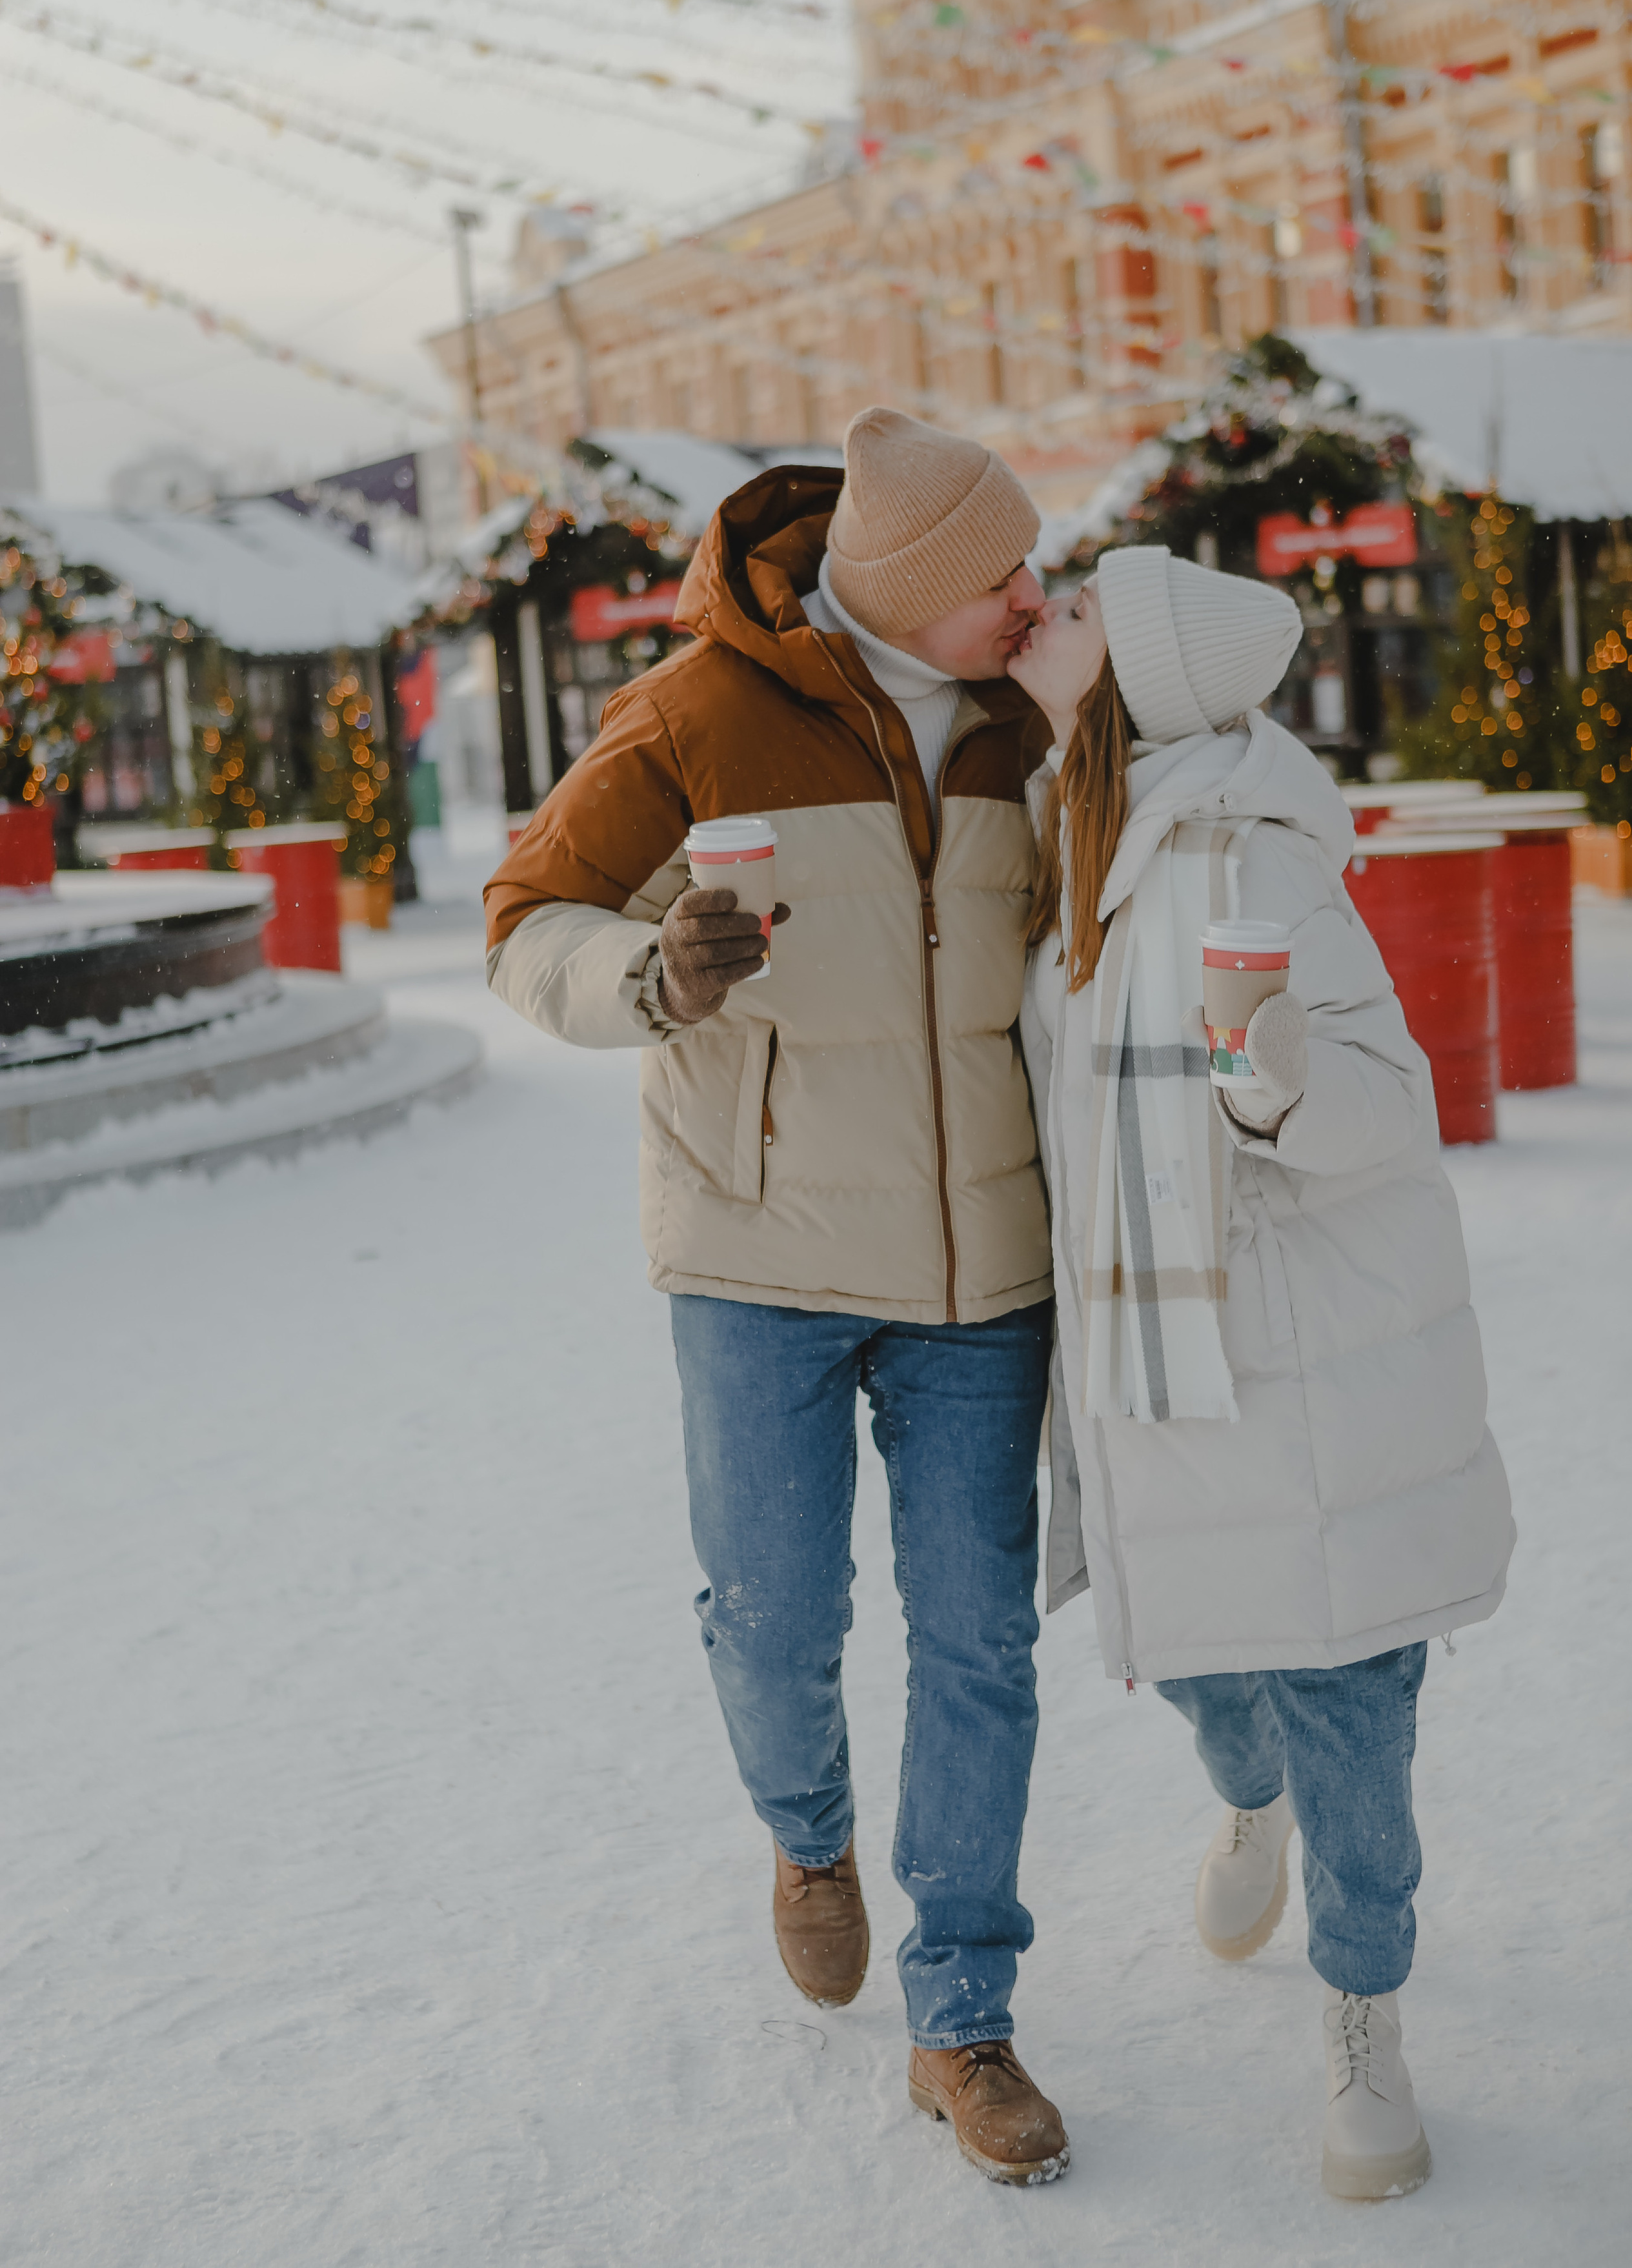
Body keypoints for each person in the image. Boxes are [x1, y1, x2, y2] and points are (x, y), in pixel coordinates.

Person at [484, 409, 1073, 2185]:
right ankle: (805, 1838)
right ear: (901, 588)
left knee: (983, 1640)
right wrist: (651, 974)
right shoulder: (694, 717)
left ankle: (963, 2015)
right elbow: (525, 919)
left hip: (982, 1266)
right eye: (1002, 575)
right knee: (773, 1613)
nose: (1036, 596)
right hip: (758, 1257)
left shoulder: (1030, 721)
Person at [1008, 550, 1515, 2203]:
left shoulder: (1252, 855)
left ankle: (1363, 2010)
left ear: (1138, 679)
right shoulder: (1070, 836)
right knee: (1219, 1677)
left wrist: (1277, 1094)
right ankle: (1251, 1807)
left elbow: (1387, 1096)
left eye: (1076, 609)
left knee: (1345, 1691)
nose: (1043, 617)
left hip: (1297, 1359)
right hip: (1152, 1354)